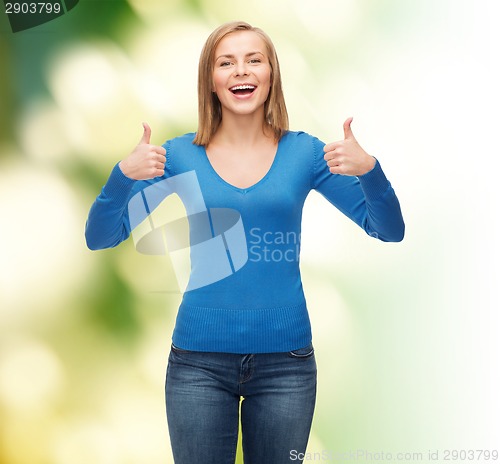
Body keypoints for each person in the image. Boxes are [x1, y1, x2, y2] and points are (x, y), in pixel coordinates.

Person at [85, 20, 404, 464]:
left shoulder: (306, 154)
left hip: (286, 368)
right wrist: (123, 177)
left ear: (272, 75)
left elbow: (387, 228)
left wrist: (370, 170)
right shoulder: (178, 156)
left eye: (255, 60)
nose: (241, 71)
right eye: (226, 62)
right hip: (197, 364)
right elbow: (101, 236)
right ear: (211, 82)